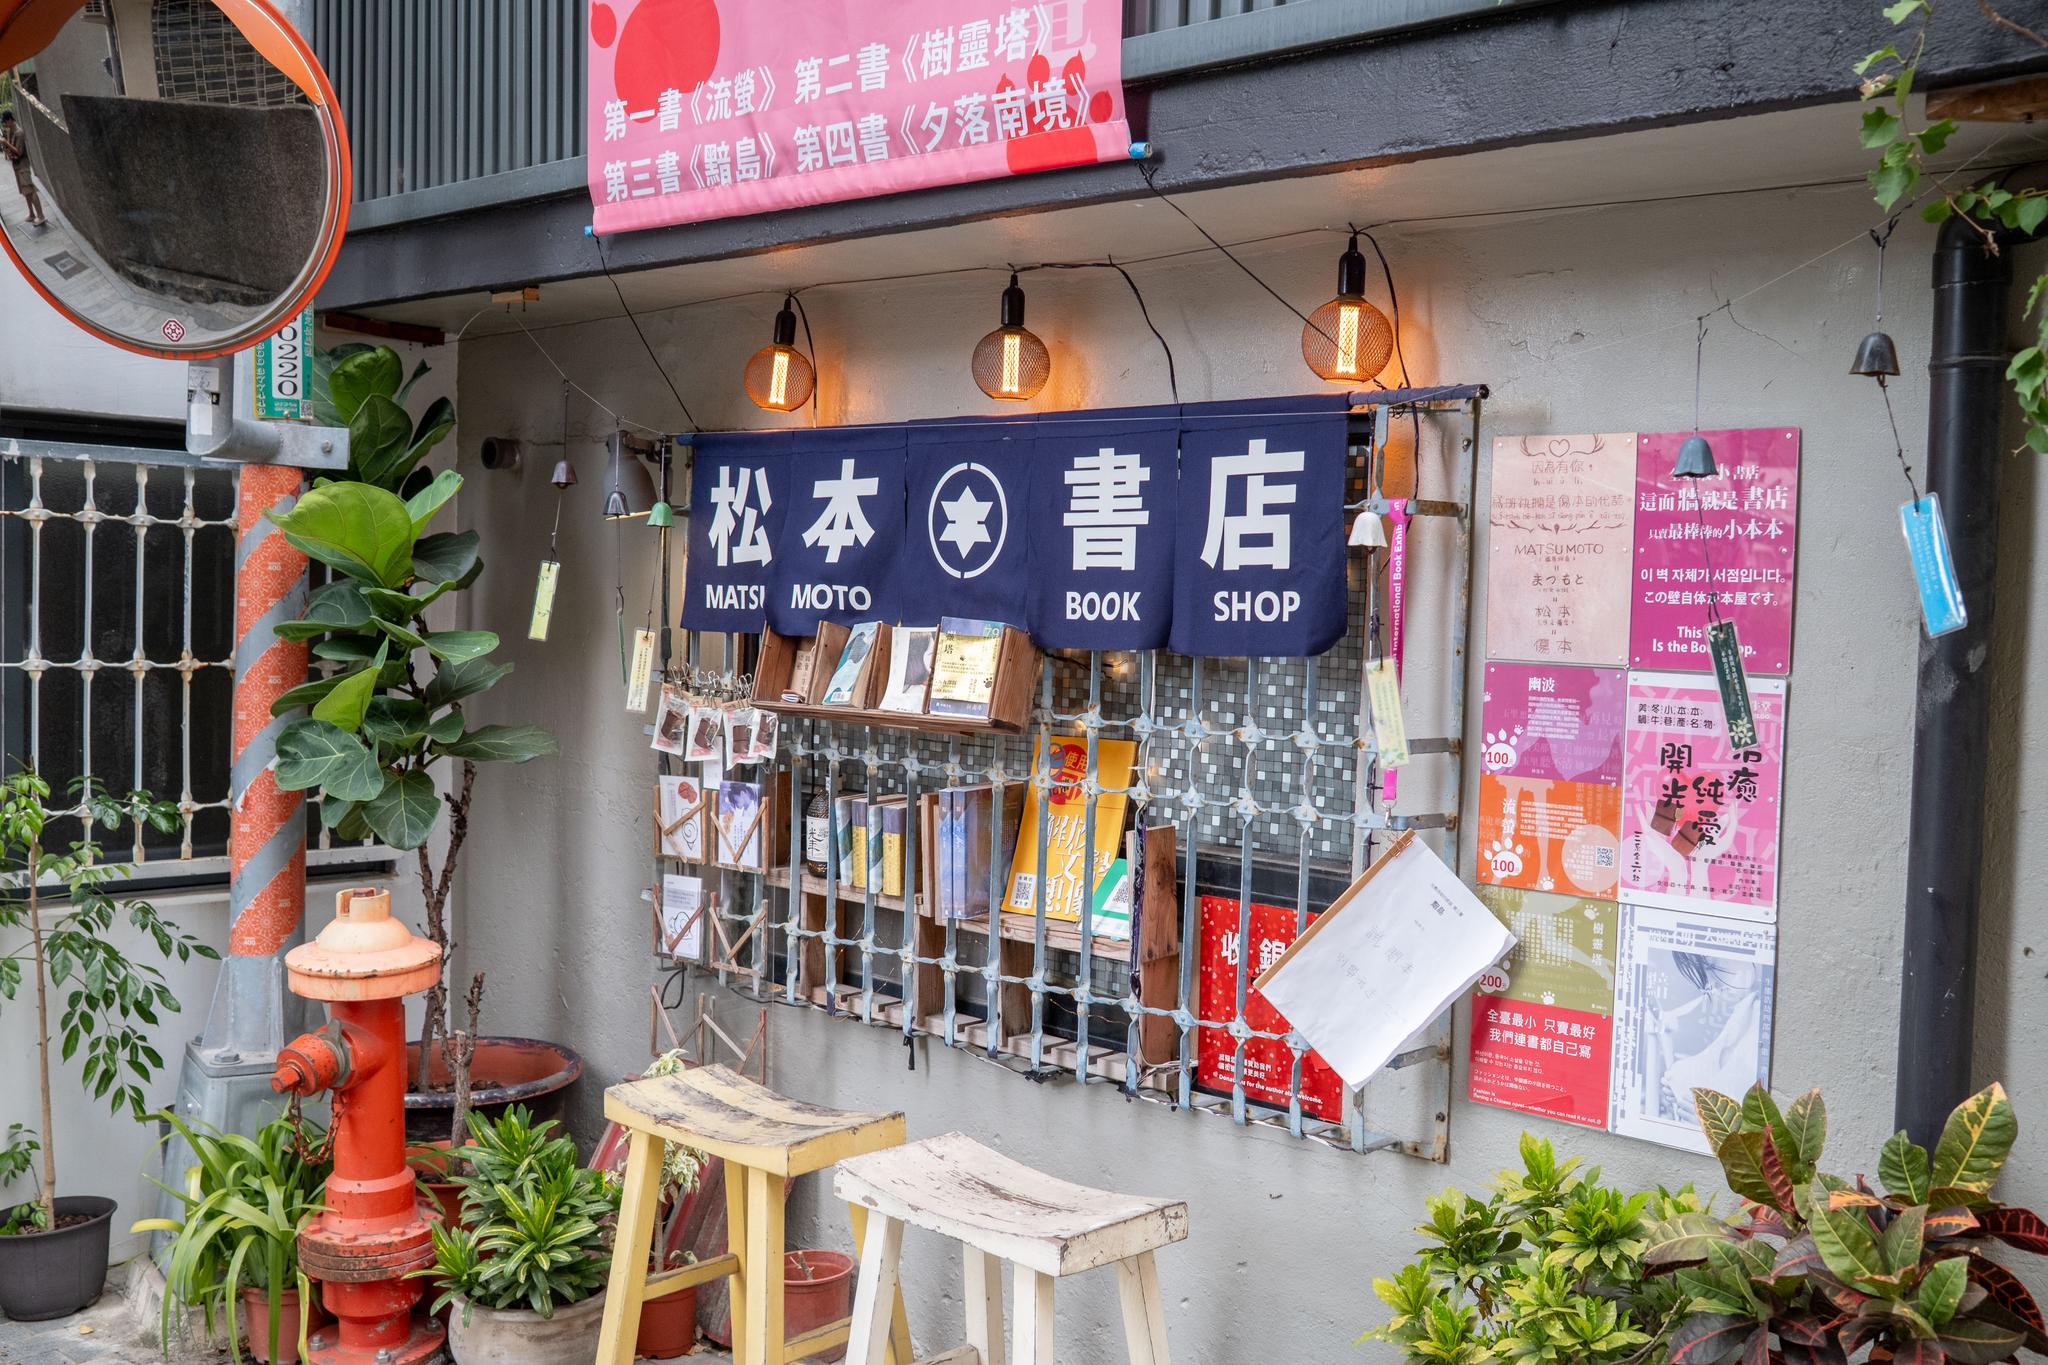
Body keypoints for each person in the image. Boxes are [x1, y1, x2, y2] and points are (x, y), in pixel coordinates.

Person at [0, 111, 45, 227]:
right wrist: (5, 144)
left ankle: (41, 216)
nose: (5, 125)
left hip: (23, 165)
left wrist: (6, 143)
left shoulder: (19, 133)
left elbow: (19, 152)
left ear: (10, 120)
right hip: (16, 165)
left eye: (5, 122)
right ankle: (32, 213)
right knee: (25, 191)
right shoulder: (9, 131)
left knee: (30, 190)